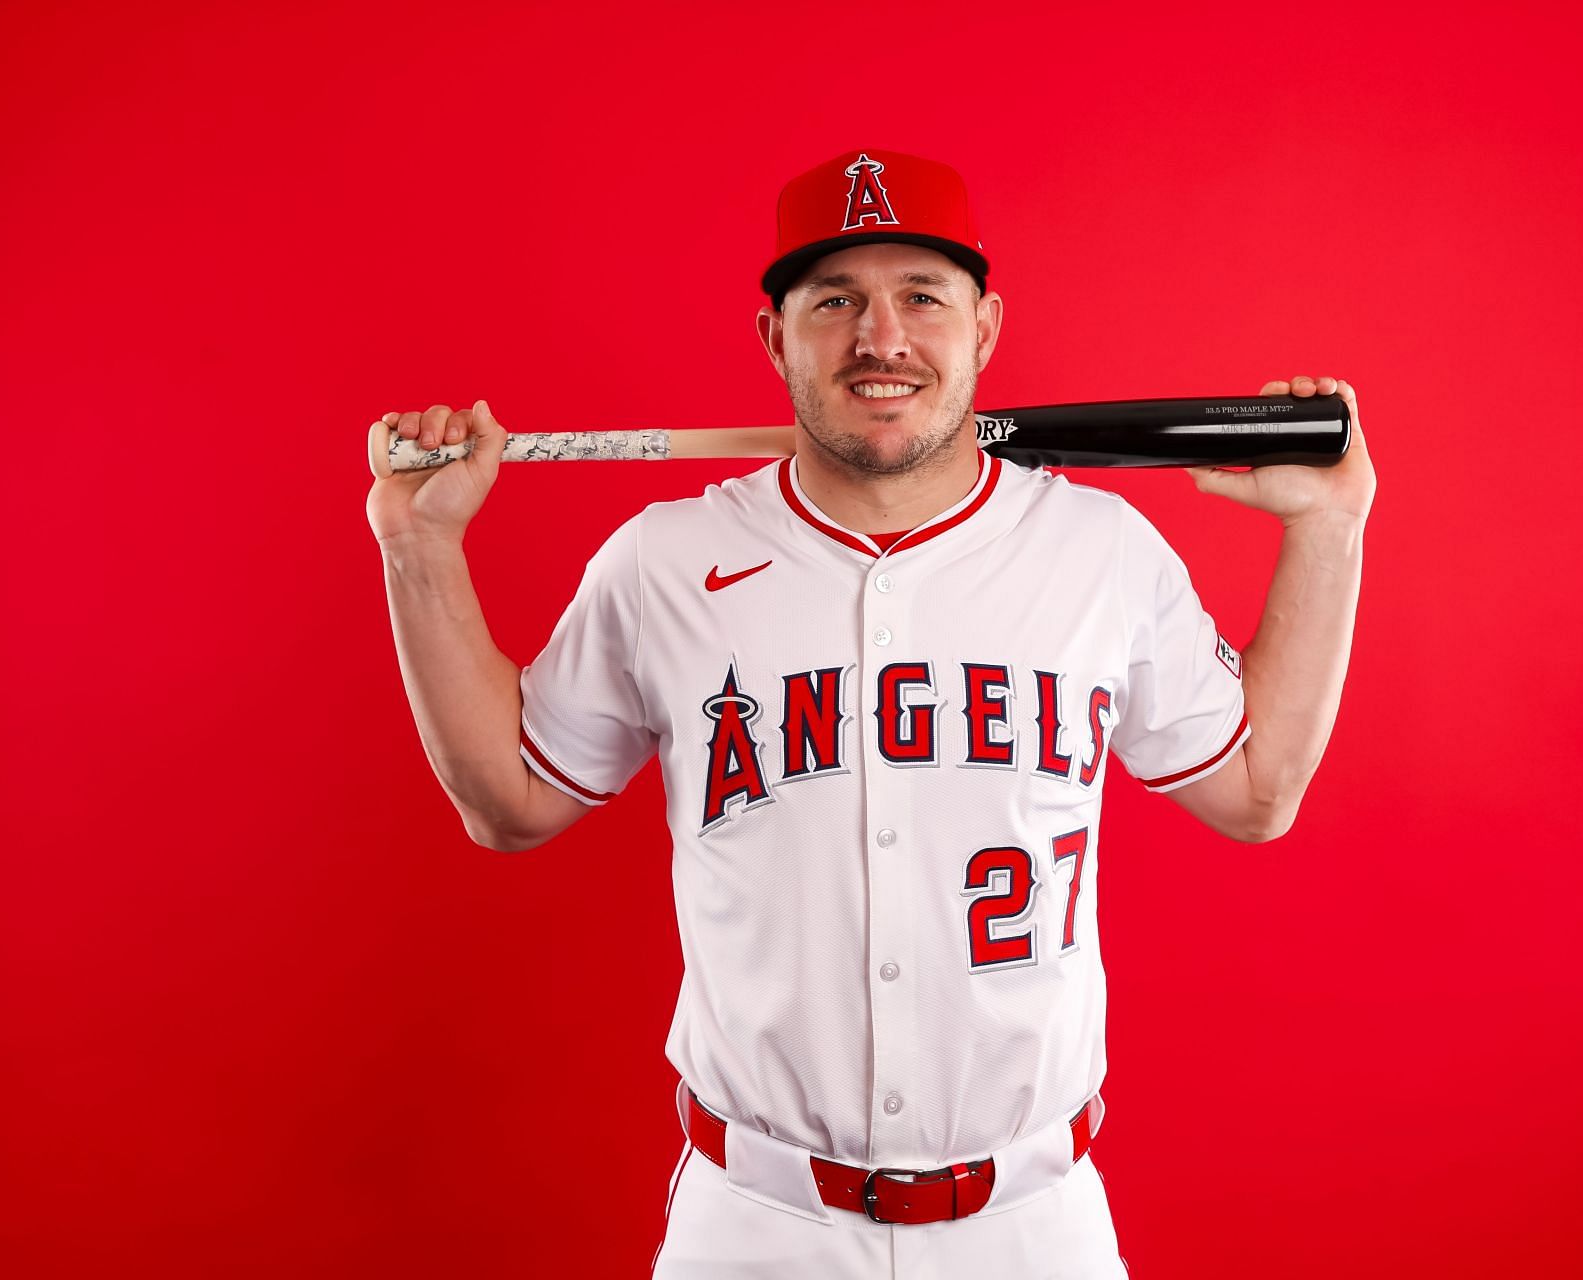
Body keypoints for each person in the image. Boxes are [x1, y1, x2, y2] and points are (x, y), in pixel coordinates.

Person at [366, 148, 1375, 1279]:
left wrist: (1327, 532)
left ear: (984, 329)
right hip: (756, 1225)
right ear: (774, 338)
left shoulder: (1101, 553)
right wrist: (420, 546)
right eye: (835, 300)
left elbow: (1258, 788)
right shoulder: (664, 560)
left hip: (1034, 1223)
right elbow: (507, 801)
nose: (880, 338)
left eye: (922, 298)